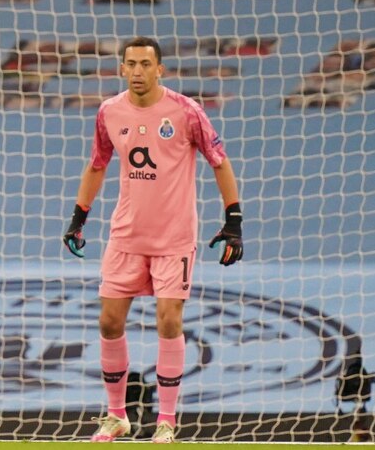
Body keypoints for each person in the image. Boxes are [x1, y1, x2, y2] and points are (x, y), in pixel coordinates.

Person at [62, 36, 243, 443]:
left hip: (174, 239)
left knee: (169, 320)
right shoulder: (109, 112)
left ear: (160, 69)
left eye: (146, 64)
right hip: (126, 235)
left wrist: (234, 220)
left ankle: (166, 421)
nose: (138, 71)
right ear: (121, 69)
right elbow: (96, 164)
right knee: (109, 321)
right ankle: (116, 416)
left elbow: (220, 161)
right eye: (131, 64)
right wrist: (79, 218)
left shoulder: (186, 111)